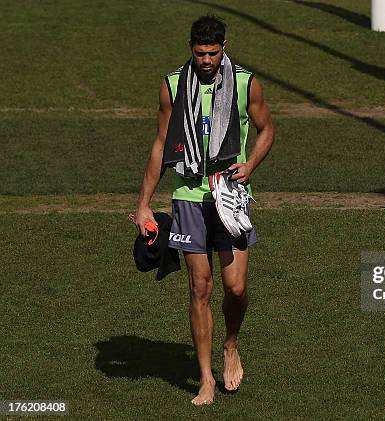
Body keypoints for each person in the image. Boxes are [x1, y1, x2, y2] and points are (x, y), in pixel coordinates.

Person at [133, 15, 275, 406]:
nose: (207, 60)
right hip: (190, 195)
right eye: (200, 53)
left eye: (213, 53)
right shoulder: (173, 86)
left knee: (236, 287)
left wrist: (249, 166)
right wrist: (144, 203)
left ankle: (231, 343)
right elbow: (162, 143)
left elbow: (267, 130)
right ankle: (205, 379)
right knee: (200, 288)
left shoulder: (247, 84)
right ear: (191, 50)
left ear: (224, 47)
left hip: (230, 196)